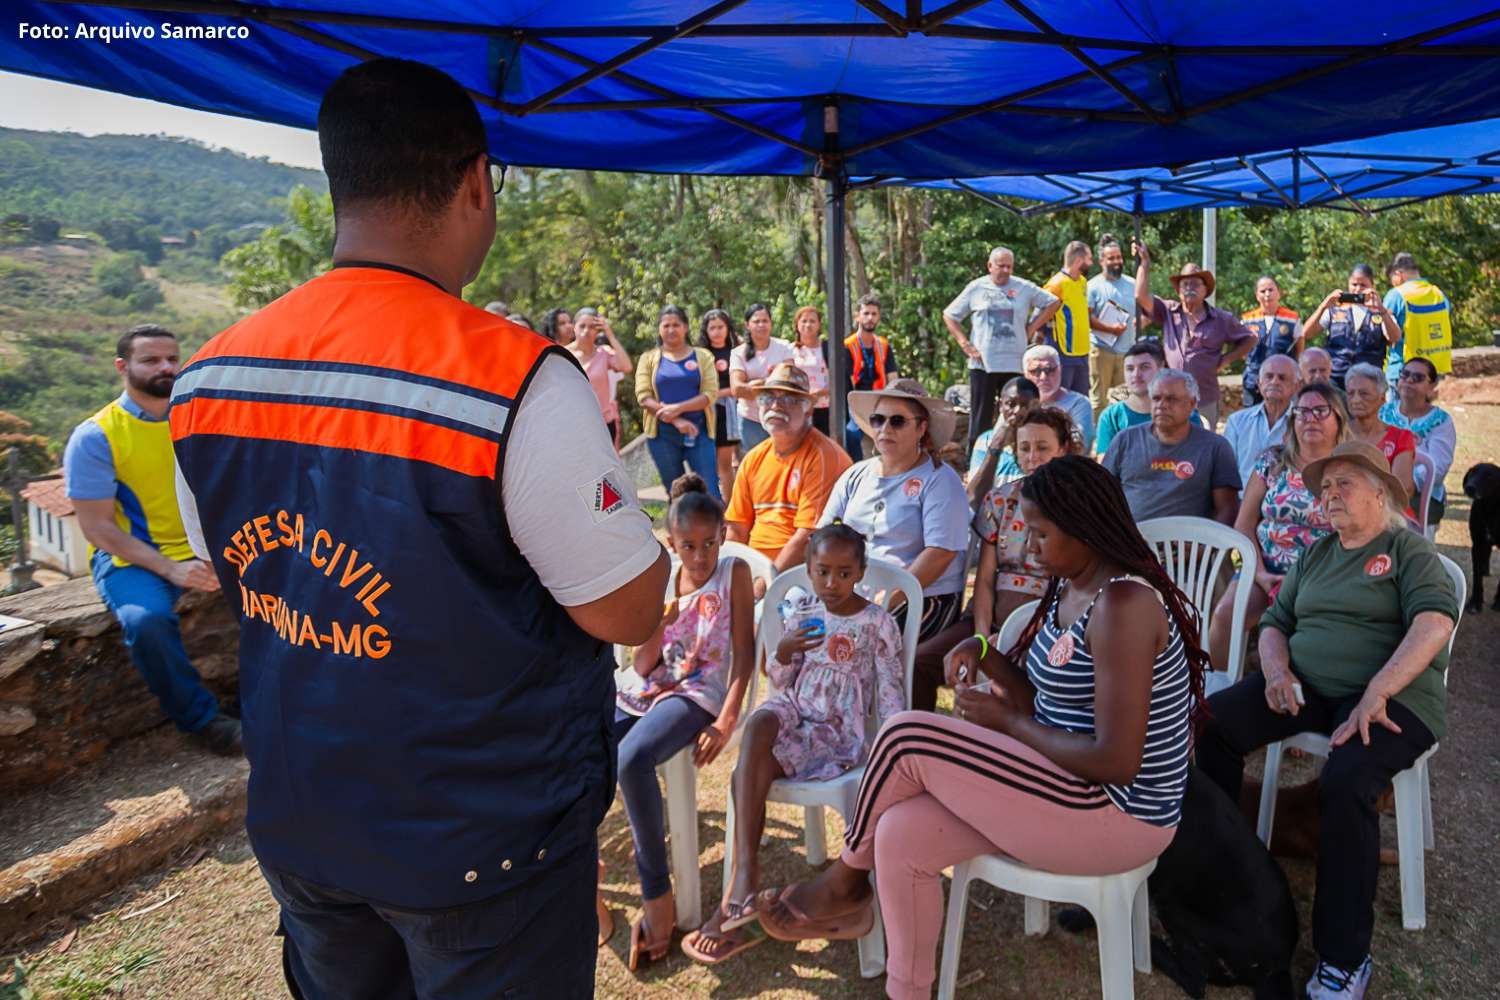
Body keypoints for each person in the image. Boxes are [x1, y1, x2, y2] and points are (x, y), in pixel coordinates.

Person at [168, 59, 670, 999]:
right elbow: (631, 610)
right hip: (484, 840)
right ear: (476, 182)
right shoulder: (515, 378)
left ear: (339, 182)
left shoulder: (206, 379)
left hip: (303, 815)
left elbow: (241, 573)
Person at [755, 457, 1210, 1000]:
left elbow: (1117, 761)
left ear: (1084, 526)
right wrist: (986, 652)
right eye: (1025, 532)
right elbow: (1043, 699)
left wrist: (1011, 724)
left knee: (906, 736)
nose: (1027, 548)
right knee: (900, 833)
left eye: (1040, 533)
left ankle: (847, 881)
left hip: (1116, 813)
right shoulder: (1071, 587)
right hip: (1063, 785)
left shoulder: (1124, 603)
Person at [1197, 440, 1456, 1000]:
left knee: (1346, 783)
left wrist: (1376, 692)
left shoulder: (1408, 549)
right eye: (1325, 487)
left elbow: (1435, 623)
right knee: (1210, 723)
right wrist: (1273, 671)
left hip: (1396, 693)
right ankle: (1224, 873)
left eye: (1345, 483)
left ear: (1382, 492)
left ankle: (1344, 959)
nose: (1330, 494)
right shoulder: (1318, 551)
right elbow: (1276, 622)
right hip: (1309, 683)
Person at [685, 523, 904, 965]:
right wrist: (782, 651)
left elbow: (890, 691)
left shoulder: (876, 622)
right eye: (822, 571)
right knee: (761, 721)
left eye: (844, 573)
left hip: (836, 728)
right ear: (808, 569)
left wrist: (891, 745)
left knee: (756, 757)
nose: (831, 583)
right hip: (793, 709)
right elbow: (781, 681)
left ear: (860, 571)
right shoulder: (803, 608)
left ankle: (738, 888)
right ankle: (745, 873)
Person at [62, 324, 240, 756]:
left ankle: (253, 703)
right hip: (133, 558)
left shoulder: (196, 420)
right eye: (150, 360)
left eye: (172, 358)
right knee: (146, 623)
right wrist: (172, 568)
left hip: (203, 548)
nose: (165, 367)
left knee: (276, 601)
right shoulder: (96, 436)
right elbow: (98, 527)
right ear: (122, 366)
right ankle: (200, 721)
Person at [611, 474, 755, 970]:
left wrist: (727, 718)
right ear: (672, 543)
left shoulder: (732, 574)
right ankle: (581, 872)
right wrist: (658, 622)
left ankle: (657, 895)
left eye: (709, 543)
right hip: (649, 685)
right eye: (688, 546)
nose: (700, 557)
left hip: (697, 692)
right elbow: (644, 663)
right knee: (582, 743)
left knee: (630, 760)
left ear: (722, 537)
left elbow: (744, 655)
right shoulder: (665, 576)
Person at [912, 408, 1076, 712]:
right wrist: (982, 636)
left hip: (1047, 622)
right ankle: (918, 745)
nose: (1032, 457)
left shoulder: (1077, 504)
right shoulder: (1001, 500)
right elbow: (985, 578)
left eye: (1043, 448)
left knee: (1021, 683)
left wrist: (1024, 631)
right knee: (922, 661)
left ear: (1063, 449)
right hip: (989, 617)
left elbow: (1070, 585)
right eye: (1024, 448)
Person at [1207, 383, 1346, 672]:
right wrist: (1258, 572)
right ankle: (1217, 693)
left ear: (1339, 418)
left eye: (1321, 410)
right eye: (1302, 412)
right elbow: (1244, 524)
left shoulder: (1350, 467)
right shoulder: (1273, 460)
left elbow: (1358, 532)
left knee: (1306, 638)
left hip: (1323, 575)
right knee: (1225, 616)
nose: (1310, 418)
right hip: (1266, 569)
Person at [821, 379, 969, 644]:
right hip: (852, 591)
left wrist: (884, 600)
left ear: (922, 428)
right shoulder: (856, 474)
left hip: (924, 596)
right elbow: (823, 535)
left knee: (854, 642)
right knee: (794, 628)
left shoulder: (940, 480)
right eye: (878, 420)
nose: (885, 428)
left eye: (897, 421)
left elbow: (940, 553)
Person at [725, 363, 851, 585]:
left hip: (803, 577)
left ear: (808, 409)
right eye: (767, 398)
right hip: (754, 572)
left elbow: (807, 539)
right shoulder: (753, 459)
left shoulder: (823, 456)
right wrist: (729, 579)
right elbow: (737, 528)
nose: (775, 406)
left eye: (788, 399)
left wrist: (763, 585)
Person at [943, 246, 1059, 449]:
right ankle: (975, 460)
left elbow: (1053, 302)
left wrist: (1031, 328)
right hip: (983, 363)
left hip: (1014, 362)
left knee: (1018, 414)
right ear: (990, 266)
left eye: (1009, 266)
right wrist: (964, 343)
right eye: (1000, 265)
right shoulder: (977, 288)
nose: (1005, 270)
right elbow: (950, 315)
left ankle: (1015, 454)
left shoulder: (1023, 287)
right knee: (981, 417)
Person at [1133, 241, 1258, 427]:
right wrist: (1145, 264)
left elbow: (1250, 338)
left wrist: (1226, 360)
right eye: (1184, 284)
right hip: (1170, 395)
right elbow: (1141, 297)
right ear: (1178, 290)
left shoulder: (1221, 319)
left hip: (1205, 396)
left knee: (1205, 444)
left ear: (1206, 290)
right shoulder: (1168, 311)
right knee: (1170, 439)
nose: (1189, 287)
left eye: (1195, 284)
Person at [1101, 369, 1240, 524]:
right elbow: (1102, 496)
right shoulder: (1125, 440)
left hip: (1190, 544)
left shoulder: (1215, 447)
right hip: (1131, 542)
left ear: (1192, 403)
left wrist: (1204, 546)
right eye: (1156, 398)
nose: (1162, 405)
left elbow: (1228, 509)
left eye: (1171, 399)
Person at [636, 305, 721, 500]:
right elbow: (643, 397)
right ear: (659, 329)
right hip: (662, 435)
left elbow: (710, 393)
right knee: (675, 492)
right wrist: (676, 420)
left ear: (686, 327)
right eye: (666, 325)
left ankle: (716, 530)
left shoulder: (703, 356)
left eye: (676, 325)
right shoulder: (648, 358)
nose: (671, 329)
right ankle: (680, 530)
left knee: (710, 491)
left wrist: (678, 409)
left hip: (699, 431)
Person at [1380, 357, 1456, 530]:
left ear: (1431, 386)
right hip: (1378, 489)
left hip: (1420, 496)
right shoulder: (1383, 413)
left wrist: (1406, 483)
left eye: (1418, 378)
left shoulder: (1441, 421)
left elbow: (1438, 465)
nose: (1408, 381)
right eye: (1405, 375)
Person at [1300, 265, 1401, 389]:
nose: (1358, 289)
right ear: (1348, 284)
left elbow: (1395, 337)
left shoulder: (1382, 312)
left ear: (1372, 286)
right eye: (1354, 284)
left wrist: (1381, 310)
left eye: (1363, 285)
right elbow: (1305, 333)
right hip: (1336, 377)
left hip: (1369, 378)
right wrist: (1323, 306)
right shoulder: (1335, 310)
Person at [1221, 353, 1299, 496]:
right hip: (1241, 504)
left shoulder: (1303, 423)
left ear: (1296, 386)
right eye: (1269, 376)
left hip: (1284, 507)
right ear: (1259, 383)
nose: (1275, 382)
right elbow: (1225, 473)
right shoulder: (1237, 422)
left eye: (1282, 378)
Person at [1343, 363, 1417, 504]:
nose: (1356, 400)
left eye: (1364, 394)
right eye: (1351, 393)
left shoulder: (1400, 437)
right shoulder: (1337, 433)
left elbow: (1403, 489)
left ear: (1382, 398)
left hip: (1388, 513)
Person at [1041, 240, 1107, 395]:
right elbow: (1040, 316)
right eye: (1089, 259)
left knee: (1082, 400)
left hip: (1082, 352)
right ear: (1079, 261)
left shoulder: (1083, 282)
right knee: (1061, 400)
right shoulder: (1056, 284)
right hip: (1063, 353)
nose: (1092, 263)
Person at [730, 302, 796, 452]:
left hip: (781, 416)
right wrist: (771, 383)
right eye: (756, 321)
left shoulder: (784, 347)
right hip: (750, 420)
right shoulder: (738, 353)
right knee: (756, 465)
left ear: (771, 323)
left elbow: (790, 382)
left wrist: (754, 385)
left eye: (765, 321)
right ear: (747, 325)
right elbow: (737, 389)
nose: (761, 325)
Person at [840, 293, 900, 459]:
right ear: (857, 316)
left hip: (882, 401)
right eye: (866, 313)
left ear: (879, 317)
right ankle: (858, 470)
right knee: (851, 434)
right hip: (858, 403)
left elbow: (893, 378)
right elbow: (850, 384)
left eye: (874, 314)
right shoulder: (848, 346)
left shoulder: (883, 345)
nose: (870, 318)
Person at [965, 376, 1041, 507]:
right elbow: (973, 498)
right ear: (1000, 406)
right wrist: (997, 445)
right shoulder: (986, 440)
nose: (1017, 411)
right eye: (1011, 404)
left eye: (1025, 405)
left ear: (1036, 406)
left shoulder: (1044, 441)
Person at [1086, 233, 1137, 418]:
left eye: (1119, 257)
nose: (1116, 261)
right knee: (1099, 401)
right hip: (1101, 351)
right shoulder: (1093, 286)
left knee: (1124, 399)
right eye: (1111, 258)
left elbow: (1144, 311)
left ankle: (1120, 439)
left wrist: (1142, 321)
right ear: (1102, 261)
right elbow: (1087, 319)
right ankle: (1100, 441)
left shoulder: (1132, 283)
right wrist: (1111, 330)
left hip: (1127, 351)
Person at [1383, 252, 1453, 384]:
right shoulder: (1438, 294)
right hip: (1432, 371)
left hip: (1403, 371)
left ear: (1398, 274)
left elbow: (1384, 332)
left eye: (1391, 278)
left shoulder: (1396, 295)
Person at [570, 308, 633, 447]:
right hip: (577, 425)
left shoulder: (603, 353)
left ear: (598, 331)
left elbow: (626, 366)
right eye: (582, 326)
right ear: (574, 327)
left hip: (604, 424)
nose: (586, 331)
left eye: (592, 327)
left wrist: (610, 334)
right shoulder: (564, 354)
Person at [698, 308, 743, 502]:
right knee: (715, 464)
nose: (717, 331)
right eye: (712, 327)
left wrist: (729, 392)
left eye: (720, 327)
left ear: (728, 328)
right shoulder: (700, 354)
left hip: (736, 411)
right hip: (709, 412)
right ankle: (721, 505)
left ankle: (735, 506)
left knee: (734, 463)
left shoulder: (738, 350)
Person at [1094, 339, 1165, 456]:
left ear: (1161, 369)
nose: (1136, 375)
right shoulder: (1111, 417)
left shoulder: (1183, 414)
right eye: (1130, 369)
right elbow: (1104, 468)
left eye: (1145, 367)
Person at [1240, 276, 1303, 405]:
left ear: (1279, 293)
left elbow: (1299, 349)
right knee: (1253, 419)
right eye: (1262, 291)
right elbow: (1241, 349)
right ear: (1257, 295)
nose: (1267, 294)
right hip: (1254, 380)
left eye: (1271, 290)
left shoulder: (1292, 318)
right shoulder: (1247, 320)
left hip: (1283, 380)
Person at [1023, 344, 1095, 452]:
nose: (1043, 377)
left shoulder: (1079, 404)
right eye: (1036, 371)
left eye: (1050, 370)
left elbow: (1079, 448)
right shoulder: (1017, 404)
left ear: (1060, 370)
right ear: (1025, 374)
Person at [791, 305, 832, 436]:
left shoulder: (829, 348)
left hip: (825, 408)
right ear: (797, 324)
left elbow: (838, 381)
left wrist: (817, 394)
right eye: (804, 321)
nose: (808, 325)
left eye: (812, 321)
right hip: (798, 408)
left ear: (819, 325)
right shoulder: (789, 350)